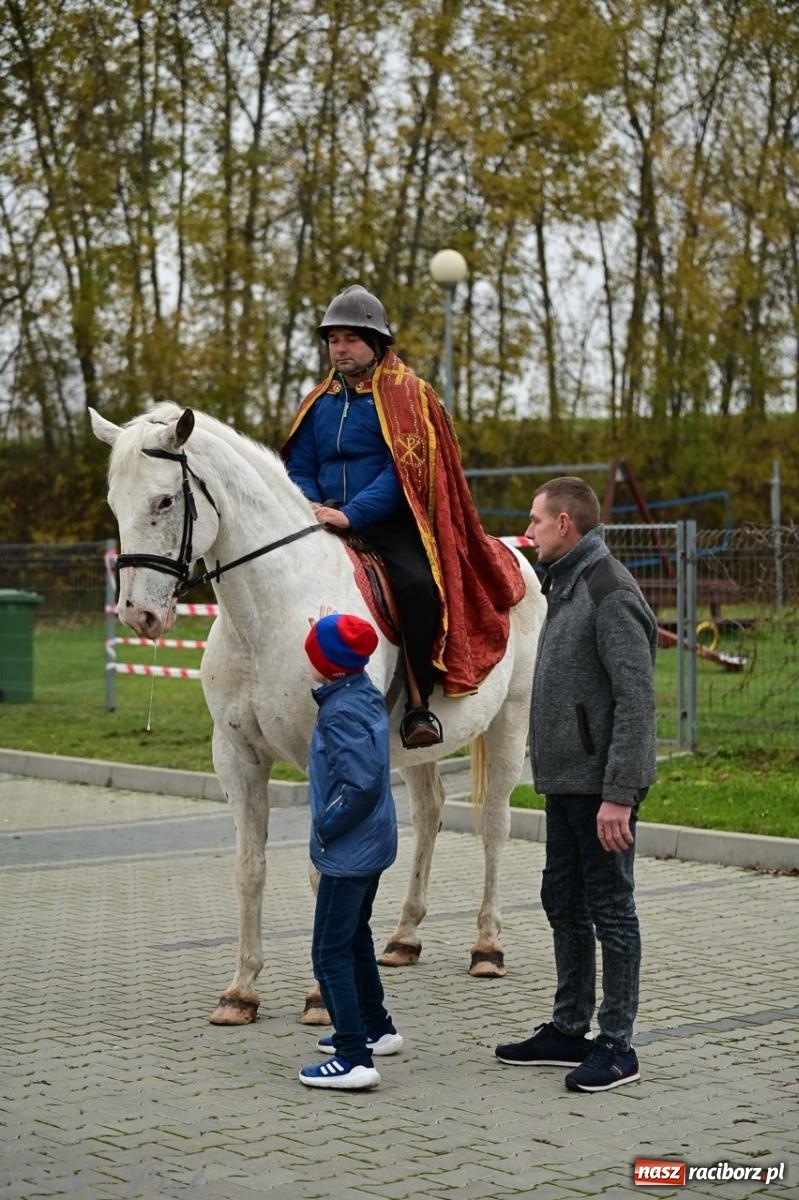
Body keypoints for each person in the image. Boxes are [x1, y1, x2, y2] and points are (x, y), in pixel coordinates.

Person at [282, 283, 526, 749]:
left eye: (351, 338)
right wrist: (312, 506)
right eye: (334, 339)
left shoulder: (407, 396)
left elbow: (404, 476)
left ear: (376, 343)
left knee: (417, 589)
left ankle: (418, 703)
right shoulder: (319, 402)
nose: (341, 348)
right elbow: (301, 464)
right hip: (319, 519)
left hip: (391, 524)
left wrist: (350, 515)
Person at [495, 476, 657, 1092]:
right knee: (561, 901)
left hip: (602, 790)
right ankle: (569, 1029)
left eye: (536, 521)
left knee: (611, 909)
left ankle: (617, 1043)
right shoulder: (564, 586)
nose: (528, 531)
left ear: (566, 524)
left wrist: (620, 793)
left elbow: (636, 701)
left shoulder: (609, 589)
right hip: (564, 783)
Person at [299, 611, 403, 1091]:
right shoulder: (361, 691)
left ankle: (352, 1055)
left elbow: (358, 785)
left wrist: (326, 825)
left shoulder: (339, 710)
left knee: (329, 951)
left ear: (327, 664)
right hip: (372, 842)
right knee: (356, 936)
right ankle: (375, 1027)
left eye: (313, 652)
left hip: (348, 849)